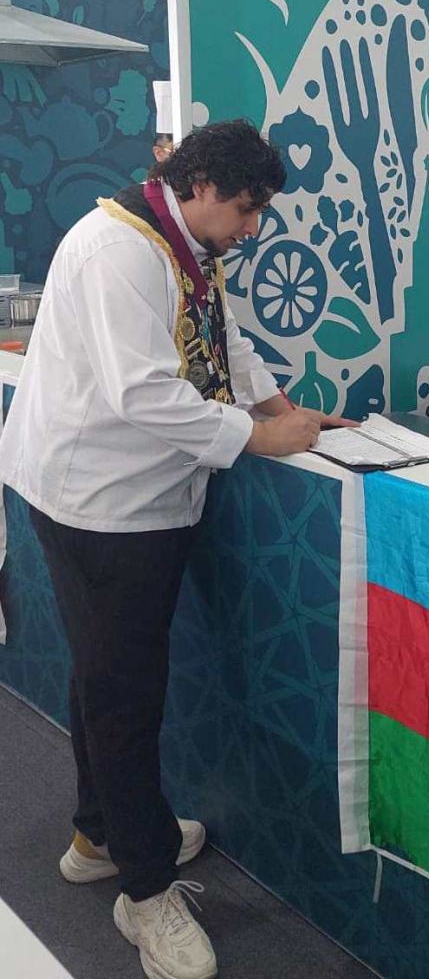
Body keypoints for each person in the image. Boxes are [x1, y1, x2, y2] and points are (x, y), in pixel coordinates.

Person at [0, 119, 356, 979]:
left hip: (132, 500)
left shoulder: (180, 241)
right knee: (125, 697)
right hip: (101, 505)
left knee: (106, 677)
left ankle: (101, 834)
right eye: (246, 209)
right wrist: (258, 438)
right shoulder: (118, 250)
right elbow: (143, 393)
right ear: (198, 186)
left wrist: (277, 408)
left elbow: (221, 338)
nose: (252, 228)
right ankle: (146, 889)